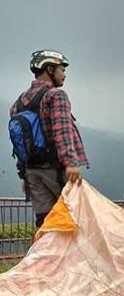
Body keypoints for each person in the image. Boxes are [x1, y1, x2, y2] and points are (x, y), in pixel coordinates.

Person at [10, 50, 88, 229]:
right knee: (72, 221)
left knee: (45, 223)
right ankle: (72, 257)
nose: (65, 74)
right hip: (55, 170)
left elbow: (19, 142)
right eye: (62, 69)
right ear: (50, 70)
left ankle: (45, 256)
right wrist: (71, 163)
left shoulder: (18, 103)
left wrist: (23, 175)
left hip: (32, 173)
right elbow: (62, 131)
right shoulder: (55, 96)